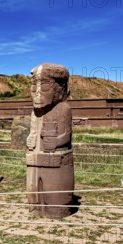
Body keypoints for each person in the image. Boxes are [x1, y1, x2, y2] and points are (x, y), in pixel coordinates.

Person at [26, 63, 75, 218]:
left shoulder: (63, 109)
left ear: (59, 89)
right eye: (34, 88)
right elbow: (33, 132)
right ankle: (35, 208)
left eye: (45, 88)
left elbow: (66, 135)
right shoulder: (35, 113)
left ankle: (58, 210)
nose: (38, 94)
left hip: (56, 161)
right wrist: (31, 138)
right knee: (34, 194)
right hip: (35, 161)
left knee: (55, 199)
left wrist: (57, 142)